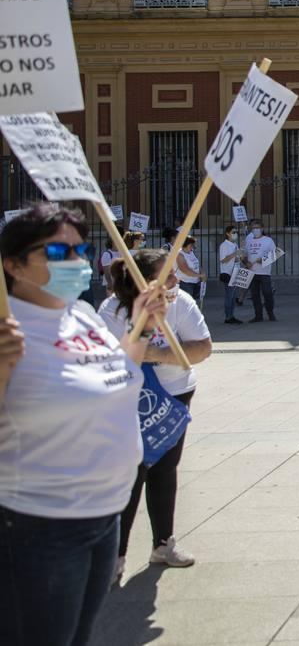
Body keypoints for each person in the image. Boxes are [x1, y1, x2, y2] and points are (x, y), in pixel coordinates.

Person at [0, 202, 169, 646]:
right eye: (58, 253)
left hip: (102, 515)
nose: (76, 263)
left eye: (80, 251)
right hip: (42, 524)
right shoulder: (7, 329)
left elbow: (119, 374)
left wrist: (140, 327)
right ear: (14, 264)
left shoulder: (80, 314)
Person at [99, 249, 213, 582]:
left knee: (165, 469)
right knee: (131, 475)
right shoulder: (110, 310)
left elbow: (202, 348)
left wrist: (156, 354)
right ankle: (115, 555)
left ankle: (163, 543)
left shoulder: (182, 303)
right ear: (147, 282)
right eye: (170, 275)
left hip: (175, 396)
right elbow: (111, 358)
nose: (177, 280)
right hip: (129, 398)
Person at [243, 220, 278, 322]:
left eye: (257, 228)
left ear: (262, 229)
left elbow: (275, 254)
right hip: (252, 272)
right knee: (255, 295)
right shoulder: (248, 241)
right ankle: (258, 315)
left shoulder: (268, 241)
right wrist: (246, 263)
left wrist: (263, 260)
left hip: (264, 272)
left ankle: (270, 313)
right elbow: (244, 255)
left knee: (267, 293)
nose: (256, 230)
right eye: (253, 228)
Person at [218, 223, 242, 325]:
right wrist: (234, 254)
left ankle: (231, 315)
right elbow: (223, 260)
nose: (235, 234)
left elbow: (235, 259)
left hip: (235, 272)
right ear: (227, 234)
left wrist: (239, 257)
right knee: (229, 296)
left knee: (233, 296)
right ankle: (228, 316)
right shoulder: (224, 245)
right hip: (227, 273)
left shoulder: (235, 245)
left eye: (236, 232)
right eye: (233, 232)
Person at [175, 235, 202, 302]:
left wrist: (202, 273)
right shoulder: (180, 254)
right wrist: (199, 275)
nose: (194, 247)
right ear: (188, 244)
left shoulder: (191, 252)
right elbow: (185, 270)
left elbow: (197, 265)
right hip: (185, 283)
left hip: (195, 282)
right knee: (186, 305)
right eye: (192, 244)